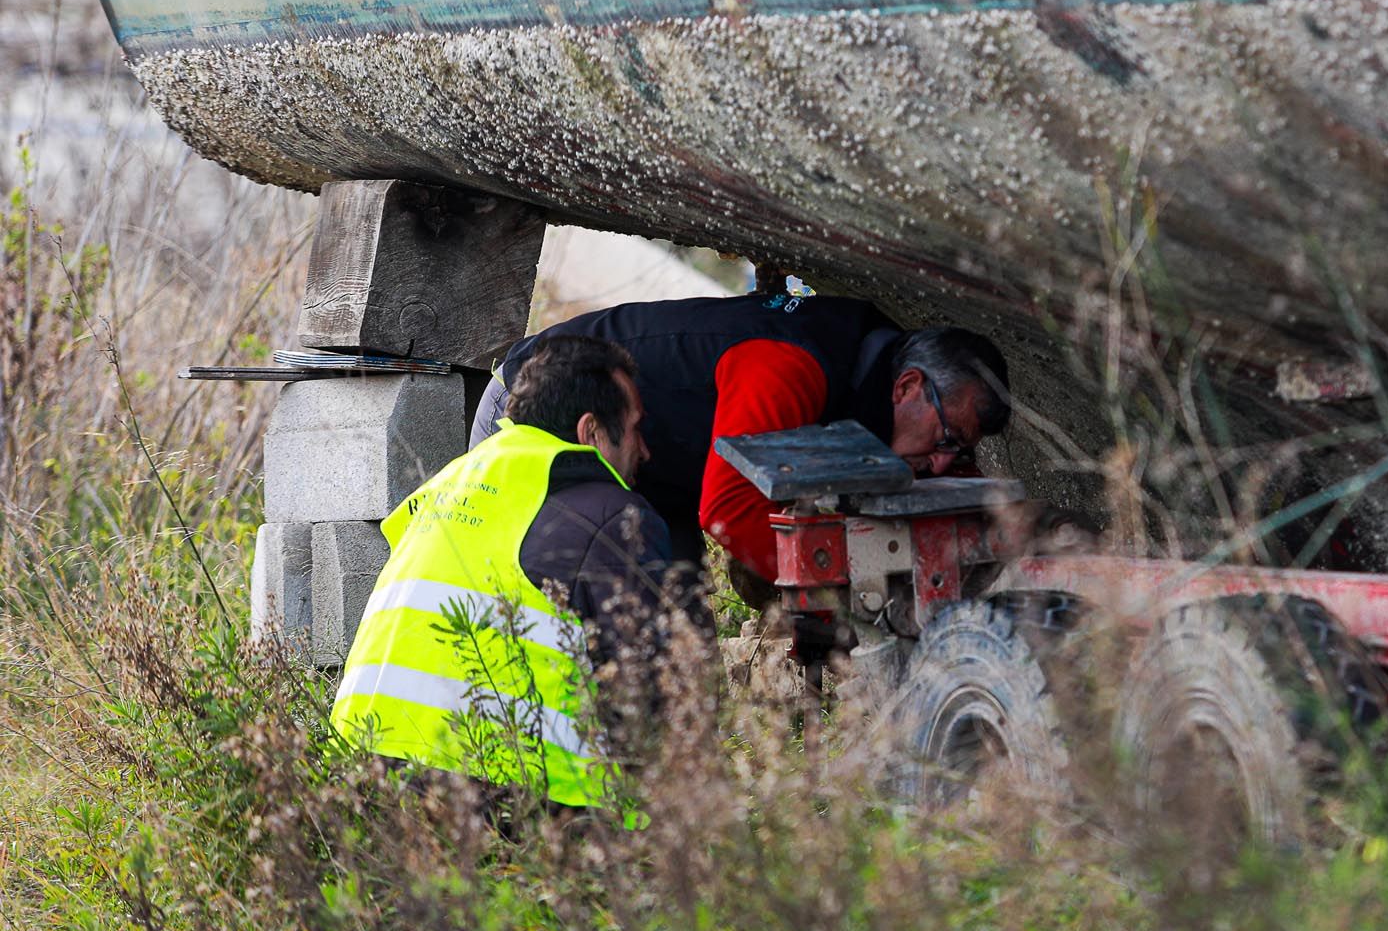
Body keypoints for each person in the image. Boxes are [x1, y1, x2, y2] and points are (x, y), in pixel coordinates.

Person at [333, 334, 704, 808]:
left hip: (360, 774)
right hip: (498, 801)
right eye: (635, 429)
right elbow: (649, 698)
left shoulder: (451, 483)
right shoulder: (612, 516)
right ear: (591, 431)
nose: (645, 450)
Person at [472, 293, 1010, 593]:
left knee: (677, 646)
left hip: (655, 472)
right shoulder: (789, 366)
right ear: (908, 387)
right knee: (560, 623)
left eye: (957, 451)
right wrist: (834, 593)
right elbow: (728, 508)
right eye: (947, 439)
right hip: (542, 416)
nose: (940, 462)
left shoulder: (864, 375)